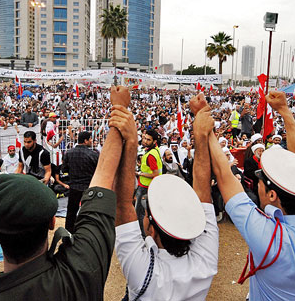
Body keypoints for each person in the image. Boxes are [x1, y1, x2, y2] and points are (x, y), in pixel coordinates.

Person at [0, 86, 129, 300]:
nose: (25, 144)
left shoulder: (44, 153)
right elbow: (103, 177)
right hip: (60, 186)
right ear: (52, 223)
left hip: (47, 182)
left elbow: (49, 172)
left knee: (71, 213)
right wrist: (119, 108)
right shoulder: (80, 271)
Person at [209, 91, 295, 300]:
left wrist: (208, 133)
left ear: (272, 195)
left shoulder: (269, 237)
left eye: (260, 183)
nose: (258, 187)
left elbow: (225, 179)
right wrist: (284, 111)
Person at [115, 97, 219, 300]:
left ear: (151, 230)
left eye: (147, 214)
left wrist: (130, 142)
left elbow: (122, 206)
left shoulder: (141, 270)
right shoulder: (205, 261)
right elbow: (204, 192)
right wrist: (201, 132)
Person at [61, 131, 99, 233]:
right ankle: (87, 233)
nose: (92, 141)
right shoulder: (93, 155)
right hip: (88, 188)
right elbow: (97, 171)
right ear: (86, 140)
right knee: (89, 213)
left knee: (71, 213)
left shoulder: (68, 153)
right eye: (90, 139)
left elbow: (64, 169)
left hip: (74, 187)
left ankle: (68, 234)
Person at [135, 129, 162, 236]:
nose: (145, 141)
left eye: (148, 139)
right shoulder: (155, 151)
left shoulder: (151, 155)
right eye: (144, 138)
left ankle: (144, 236)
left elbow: (155, 173)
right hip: (150, 186)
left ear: (154, 141)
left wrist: (139, 173)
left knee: (140, 214)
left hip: (145, 187)